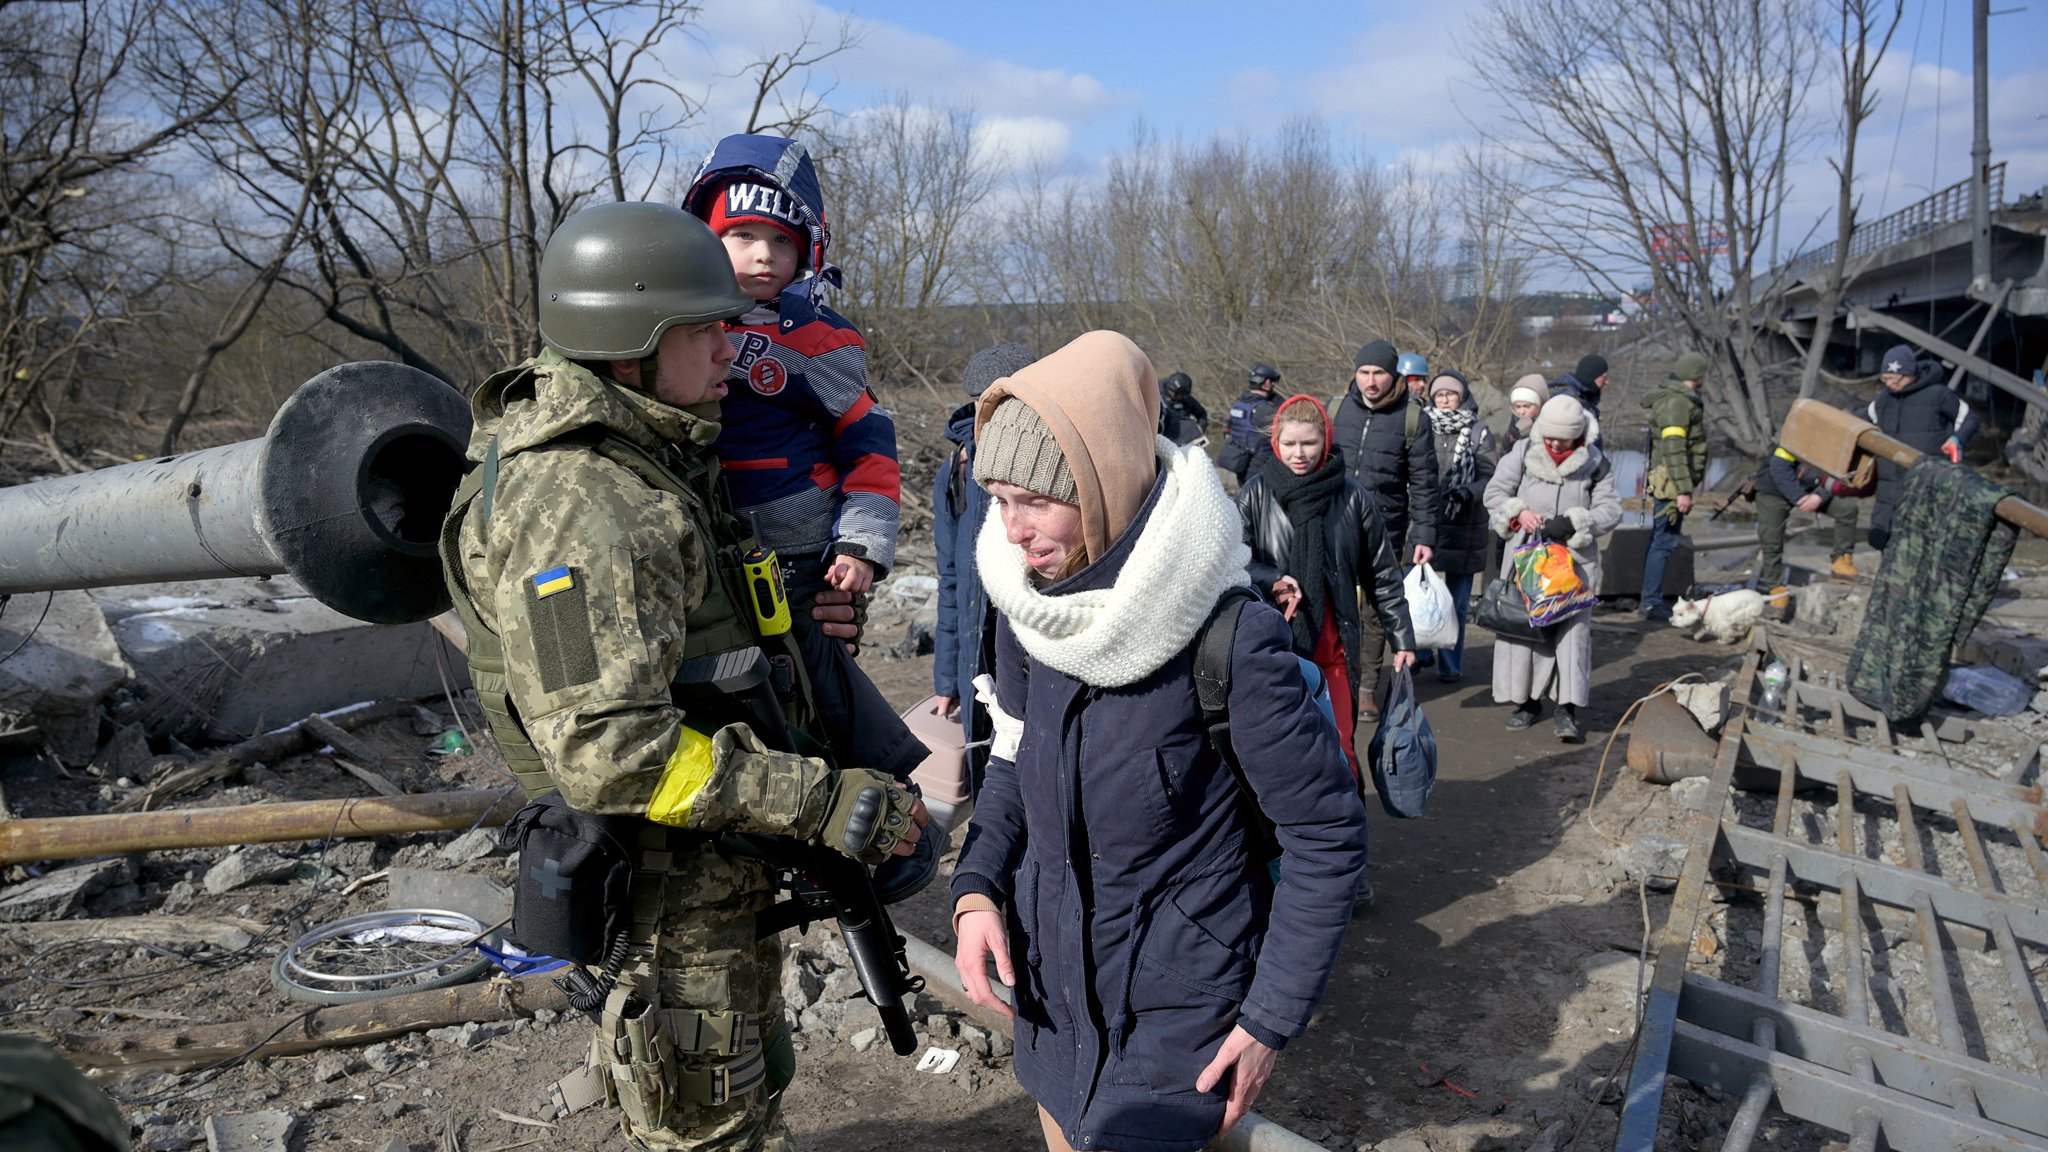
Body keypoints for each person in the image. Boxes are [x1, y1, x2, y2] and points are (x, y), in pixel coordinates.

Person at [439, 201, 927, 1150]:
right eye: (705, 330)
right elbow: (609, 752)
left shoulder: (651, 445)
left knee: (748, 1084)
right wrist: (818, 799)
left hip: (715, 858)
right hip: (669, 883)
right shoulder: (587, 505)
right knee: (709, 1122)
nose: (732, 348)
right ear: (631, 345)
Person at [951, 332, 1367, 1152]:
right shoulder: (1031, 611)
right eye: (997, 499)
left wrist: (1269, 1020)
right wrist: (975, 891)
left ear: (1104, 481)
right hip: (1053, 1014)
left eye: (1035, 498)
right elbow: (1011, 757)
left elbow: (1324, 834)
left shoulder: (1227, 638)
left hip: (1180, 1033)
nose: (1011, 529)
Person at [681, 133, 926, 783]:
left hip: (800, 559)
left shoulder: (819, 340)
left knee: (817, 690)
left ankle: (883, 795)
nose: (763, 255)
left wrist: (861, 544)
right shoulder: (666, 330)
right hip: (702, 557)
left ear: (808, 248)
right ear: (702, 238)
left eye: (782, 241)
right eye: (742, 236)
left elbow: (870, 444)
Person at [1238, 393, 1416, 777]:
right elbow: (1231, 561)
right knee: (1284, 756)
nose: (1298, 453)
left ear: (1326, 440)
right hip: (1275, 649)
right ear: (1276, 442)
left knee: (1341, 751)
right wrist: (1272, 580)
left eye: (1309, 443)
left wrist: (1402, 639)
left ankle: (1348, 833)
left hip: (1335, 649)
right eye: (1290, 444)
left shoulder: (1353, 497)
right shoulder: (1255, 492)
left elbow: (1382, 573)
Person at [1484, 395, 1621, 743]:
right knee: (1525, 631)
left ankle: (1567, 709)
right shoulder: (1523, 452)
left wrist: (1577, 522)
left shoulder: (1596, 463)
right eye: (1552, 437)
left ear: (1579, 436)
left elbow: (1611, 510)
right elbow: (1495, 492)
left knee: (1571, 636)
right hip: (1528, 555)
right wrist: (1518, 513)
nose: (1556, 444)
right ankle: (1527, 704)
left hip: (1574, 564)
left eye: (1565, 439)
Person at [932, 343, 1036, 781]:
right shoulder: (955, 473)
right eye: (987, 403)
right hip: (979, 658)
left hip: (1037, 654)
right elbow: (951, 581)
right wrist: (948, 677)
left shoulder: (1055, 462)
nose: (995, 416)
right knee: (991, 782)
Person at [1330, 338, 1439, 718]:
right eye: (1364, 372)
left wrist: (1424, 535)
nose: (1370, 381)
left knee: (1376, 611)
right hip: (1335, 526)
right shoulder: (1336, 409)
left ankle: (1367, 688)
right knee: (1331, 602)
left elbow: (1425, 482)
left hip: (1385, 529)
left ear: (1395, 376)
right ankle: (1333, 678)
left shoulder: (1413, 419)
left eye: (1378, 373)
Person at [1866, 342, 1979, 551]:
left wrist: (1957, 439)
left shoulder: (1939, 395)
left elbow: (1969, 419)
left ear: (1909, 374)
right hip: (1888, 487)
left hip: (1927, 481)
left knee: (1922, 541)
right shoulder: (1882, 401)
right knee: (1886, 541)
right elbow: (1861, 423)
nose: (1889, 384)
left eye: (1894, 378)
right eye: (1885, 379)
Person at [1422, 372, 1498, 683]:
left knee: (1457, 600)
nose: (1444, 399)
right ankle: (1422, 652)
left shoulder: (1479, 432)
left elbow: (1490, 475)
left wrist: (1468, 492)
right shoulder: (1422, 425)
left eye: (1450, 394)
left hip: (1465, 523)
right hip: (1427, 521)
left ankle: (1450, 664)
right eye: (1438, 394)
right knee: (1421, 594)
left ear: (1462, 397)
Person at [1638, 351, 1709, 622]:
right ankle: (1651, 602)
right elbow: (1674, 449)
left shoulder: (1679, 400)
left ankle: (1651, 598)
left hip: (1671, 479)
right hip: (1670, 483)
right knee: (1664, 542)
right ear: (1697, 375)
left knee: (1662, 540)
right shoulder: (1677, 404)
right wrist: (1683, 489)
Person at [1755, 445, 1861, 585]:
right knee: (1771, 540)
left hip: (1813, 489)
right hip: (1774, 489)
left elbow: (1841, 474)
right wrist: (1799, 498)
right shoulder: (1797, 434)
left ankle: (1841, 564)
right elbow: (1779, 466)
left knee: (1847, 509)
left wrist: (1819, 497)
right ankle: (1774, 587)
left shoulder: (1841, 440)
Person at [1218, 363, 1282, 482]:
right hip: (1259, 463)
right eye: (1272, 383)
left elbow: (1228, 429)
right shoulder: (1264, 409)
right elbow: (1284, 428)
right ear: (1267, 383)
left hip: (1241, 461)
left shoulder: (1239, 404)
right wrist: (1280, 402)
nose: (1273, 386)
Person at [1500, 375, 1547, 454]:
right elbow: (1504, 454)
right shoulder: (1513, 427)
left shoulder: (1550, 424)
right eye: (1518, 406)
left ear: (1539, 405)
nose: (1521, 412)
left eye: (1526, 406)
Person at [1162, 371, 1208, 440]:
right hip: (1164, 435)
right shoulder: (1158, 397)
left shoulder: (1187, 401)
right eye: (1171, 391)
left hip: (1184, 436)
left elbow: (1202, 414)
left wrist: (1199, 428)